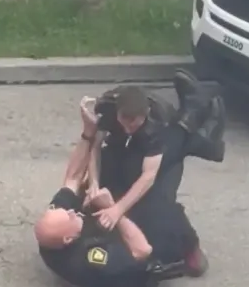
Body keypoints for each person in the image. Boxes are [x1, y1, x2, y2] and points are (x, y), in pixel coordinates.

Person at [35, 84, 220, 287]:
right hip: (138, 242)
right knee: (162, 203)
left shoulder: (57, 227)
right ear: (69, 239)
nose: (70, 210)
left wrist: (88, 133)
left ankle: (193, 124)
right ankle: (190, 248)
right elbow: (142, 249)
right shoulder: (89, 259)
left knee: (121, 161)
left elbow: (72, 178)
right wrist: (116, 211)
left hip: (110, 224)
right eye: (70, 215)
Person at [87, 70, 224, 231]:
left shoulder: (158, 122)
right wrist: (93, 182)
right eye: (123, 123)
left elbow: (148, 175)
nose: (127, 129)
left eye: (133, 125)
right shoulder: (108, 108)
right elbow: (94, 146)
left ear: (146, 114)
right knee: (116, 164)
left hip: (151, 145)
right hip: (123, 145)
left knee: (152, 187)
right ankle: (194, 125)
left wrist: (118, 210)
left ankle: (191, 120)